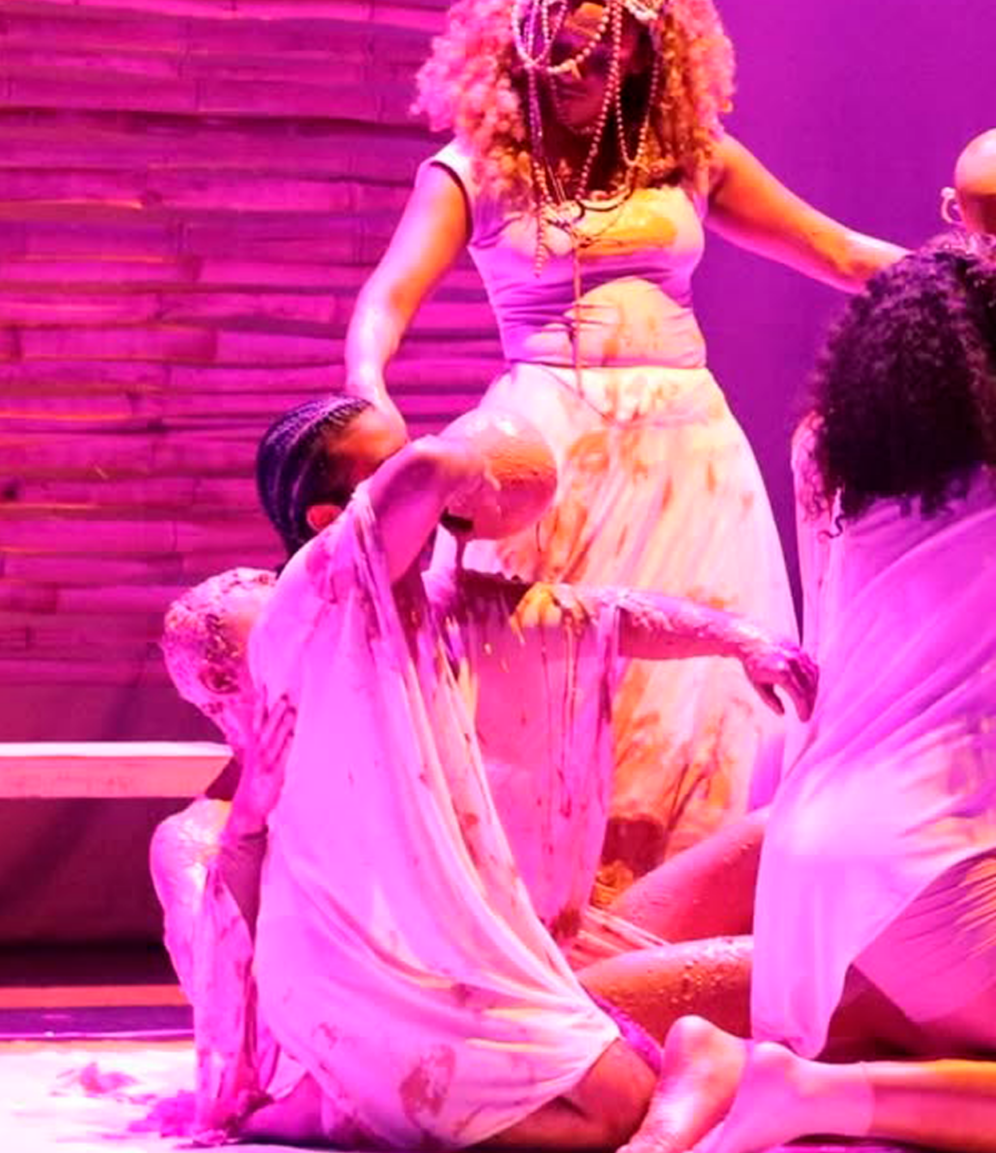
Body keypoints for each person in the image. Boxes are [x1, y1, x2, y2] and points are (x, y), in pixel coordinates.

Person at [344, 0, 904, 881]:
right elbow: (388, 296)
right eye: (555, 49)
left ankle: (680, 904)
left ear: (645, 62)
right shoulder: (477, 168)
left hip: (687, 455)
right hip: (548, 448)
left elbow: (840, 253)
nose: (570, 74)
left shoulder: (690, 159)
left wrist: (966, 275)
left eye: (599, 60)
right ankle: (545, 904)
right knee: (539, 677)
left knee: (693, 701)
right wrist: (368, 389)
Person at [633, 248, 996, 1153]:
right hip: (918, 856)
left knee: (959, 1051)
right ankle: (796, 1087)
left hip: (809, 831)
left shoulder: (851, 498)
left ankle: (744, 1066)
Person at [149, 395, 815, 1147]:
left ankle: (747, 1066)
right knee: (806, 976)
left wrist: (741, 639)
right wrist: (478, 471)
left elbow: (601, 616)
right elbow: (228, 980)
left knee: (792, 831)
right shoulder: (317, 601)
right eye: (386, 463)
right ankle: (768, 1074)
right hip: (431, 992)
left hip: (517, 944)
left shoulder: (424, 612)